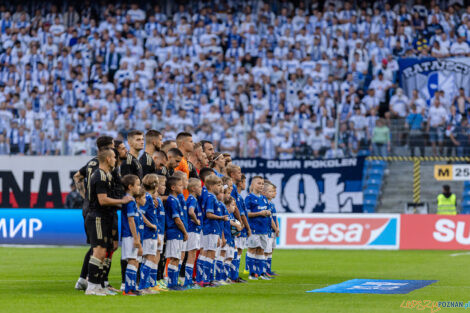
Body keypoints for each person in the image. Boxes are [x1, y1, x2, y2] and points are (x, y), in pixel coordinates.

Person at [84, 149, 132, 296]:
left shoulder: (107, 175)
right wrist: (122, 201)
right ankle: (91, 286)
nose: (115, 160)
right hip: (97, 217)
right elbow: (102, 200)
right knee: (98, 251)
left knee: (104, 251)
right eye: (113, 157)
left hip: (105, 217)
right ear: (108, 159)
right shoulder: (99, 176)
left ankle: (98, 285)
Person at [74, 136, 114, 292]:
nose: (114, 150)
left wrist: (85, 195)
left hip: (89, 206)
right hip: (97, 207)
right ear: (105, 149)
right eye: (111, 147)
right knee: (98, 246)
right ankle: (91, 282)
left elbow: (77, 176)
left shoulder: (91, 162)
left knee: (96, 246)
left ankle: (85, 279)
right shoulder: (102, 165)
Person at [199, 174, 227, 287]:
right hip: (210, 228)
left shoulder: (213, 197)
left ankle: (207, 278)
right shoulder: (210, 198)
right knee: (209, 253)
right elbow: (209, 214)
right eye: (218, 185)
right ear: (211, 186)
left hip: (214, 229)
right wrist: (221, 217)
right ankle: (205, 279)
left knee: (210, 253)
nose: (220, 187)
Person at [120, 174, 144, 296]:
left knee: (134, 261)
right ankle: (128, 289)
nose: (139, 187)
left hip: (132, 235)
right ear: (130, 186)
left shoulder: (131, 200)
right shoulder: (129, 201)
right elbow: (131, 220)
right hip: (129, 235)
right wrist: (136, 238)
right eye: (138, 185)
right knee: (132, 260)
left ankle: (132, 287)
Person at [245, 175, 271, 280]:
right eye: (259, 183)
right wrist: (260, 213)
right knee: (252, 249)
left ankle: (261, 273)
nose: (261, 185)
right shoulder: (249, 198)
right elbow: (247, 214)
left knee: (261, 250)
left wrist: (268, 213)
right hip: (253, 229)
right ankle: (252, 273)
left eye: (262, 184)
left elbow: (268, 211)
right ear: (252, 185)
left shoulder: (264, 199)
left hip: (263, 229)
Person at [164, 176, 188, 291]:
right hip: (174, 232)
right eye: (179, 185)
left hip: (177, 233)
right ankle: (171, 283)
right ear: (173, 187)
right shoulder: (172, 200)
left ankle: (174, 282)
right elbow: (177, 220)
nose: (182, 187)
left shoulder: (176, 199)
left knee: (177, 258)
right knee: (174, 258)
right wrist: (185, 232)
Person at [137, 174, 160, 294]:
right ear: (155, 185)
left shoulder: (148, 197)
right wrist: (151, 225)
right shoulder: (148, 197)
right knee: (150, 257)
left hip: (149, 233)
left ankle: (144, 285)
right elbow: (140, 212)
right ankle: (143, 286)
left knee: (148, 258)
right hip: (148, 232)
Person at [185, 178, 203, 289]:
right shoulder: (192, 199)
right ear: (193, 189)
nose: (201, 189)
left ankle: (189, 280)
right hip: (192, 230)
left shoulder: (192, 198)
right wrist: (197, 221)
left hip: (193, 231)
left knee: (191, 255)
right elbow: (191, 212)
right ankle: (188, 281)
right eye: (199, 187)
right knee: (191, 255)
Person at [263, 180, 279, 277]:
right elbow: (270, 218)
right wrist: (275, 228)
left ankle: (268, 269)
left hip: (272, 230)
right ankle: (264, 269)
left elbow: (275, 217)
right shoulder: (266, 204)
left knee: (271, 249)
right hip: (268, 230)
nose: (274, 193)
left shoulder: (272, 204)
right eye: (271, 191)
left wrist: (277, 227)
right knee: (266, 250)